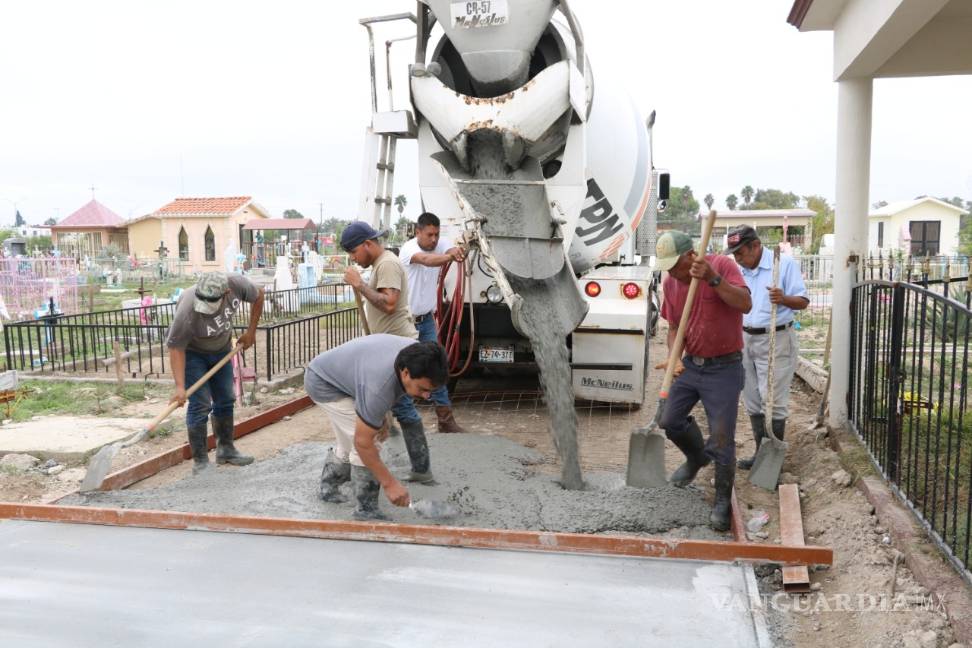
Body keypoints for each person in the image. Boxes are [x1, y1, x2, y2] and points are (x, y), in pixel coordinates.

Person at [654, 230, 752, 531]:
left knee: (722, 438)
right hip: (691, 365)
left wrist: (713, 279)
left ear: (691, 256)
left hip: (725, 367)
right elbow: (674, 327)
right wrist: (674, 358)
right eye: (666, 266)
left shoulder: (722, 266)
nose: (670, 271)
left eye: (675, 264)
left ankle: (722, 499)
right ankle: (697, 459)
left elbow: (745, 304)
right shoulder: (671, 282)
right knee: (668, 420)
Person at [304, 336, 449, 520]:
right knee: (368, 443)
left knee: (351, 440)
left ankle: (328, 488)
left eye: (431, 391)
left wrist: (380, 417)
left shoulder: (417, 357)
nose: (427, 396)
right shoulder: (378, 388)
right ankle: (366, 511)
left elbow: (381, 391)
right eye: (422, 389)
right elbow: (363, 443)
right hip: (324, 384)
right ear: (405, 373)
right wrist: (390, 484)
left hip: (344, 376)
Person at [340, 221, 433, 483]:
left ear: (367, 244)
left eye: (354, 252)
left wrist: (360, 285)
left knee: (403, 408)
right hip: (388, 348)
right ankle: (410, 463)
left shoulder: (388, 264)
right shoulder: (381, 264)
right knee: (387, 408)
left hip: (398, 350)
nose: (354, 259)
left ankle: (422, 470)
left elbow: (389, 304)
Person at [725, 225, 809, 472]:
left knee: (772, 400)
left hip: (776, 338)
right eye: (734, 254)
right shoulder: (739, 270)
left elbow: (802, 301)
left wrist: (783, 299)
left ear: (755, 246)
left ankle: (772, 462)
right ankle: (760, 453)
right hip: (744, 339)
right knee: (752, 398)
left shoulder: (783, 265)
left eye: (741, 253)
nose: (737, 258)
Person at [166, 271, 264, 474]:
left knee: (226, 398)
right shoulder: (187, 308)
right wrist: (180, 387)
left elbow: (259, 295)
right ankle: (200, 462)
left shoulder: (237, 285)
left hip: (221, 350)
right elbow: (176, 348)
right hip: (194, 355)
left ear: (227, 293)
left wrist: (251, 332)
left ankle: (226, 449)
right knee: (200, 403)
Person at [399, 212, 467, 433]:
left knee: (438, 366)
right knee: (403, 370)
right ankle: (405, 421)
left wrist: (456, 251)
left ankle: (445, 420)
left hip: (426, 320)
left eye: (437, 234)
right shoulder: (409, 249)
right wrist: (450, 257)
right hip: (405, 322)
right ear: (418, 232)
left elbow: (449, 249)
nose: (434, 239)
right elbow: (427, 261)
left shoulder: (439, 244)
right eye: (430, 235)